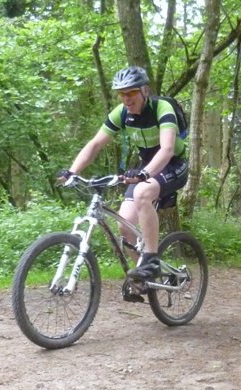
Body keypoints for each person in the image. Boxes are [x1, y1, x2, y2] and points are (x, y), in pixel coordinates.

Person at [58, 66, 188, 285]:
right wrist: (72, 171)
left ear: (144, 91)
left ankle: (152, 260)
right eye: (122, 94)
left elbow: (166, 150)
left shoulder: (162, 108)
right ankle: (142, 278)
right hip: (145, 166)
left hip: (173, 164)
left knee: (143, 193)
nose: (126, 99)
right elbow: (95, 144)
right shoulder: (122, 113)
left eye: (131, 93)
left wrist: (145, 174)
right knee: (125, 225)